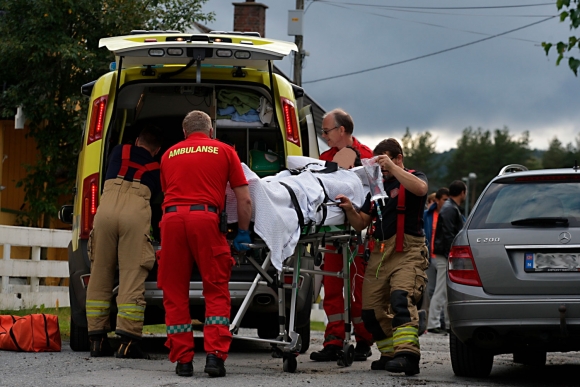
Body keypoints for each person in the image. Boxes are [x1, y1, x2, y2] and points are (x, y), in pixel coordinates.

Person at [158, 110, 252, 378]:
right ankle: (214, 357)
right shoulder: (224, 151)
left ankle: (183, 361)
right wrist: (242, 232)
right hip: (206, 220)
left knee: (174, 292)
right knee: (216, 289)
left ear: (184, 132)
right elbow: (244, 198)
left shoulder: (169, 154)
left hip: (172, 221)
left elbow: (168, 193)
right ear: (211, 131)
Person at [335, 138, 429, 376]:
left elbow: (421, 189)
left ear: (399, 158)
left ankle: (407, 355)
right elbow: (361, 223)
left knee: (401, 299)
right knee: (370, 311)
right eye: (379, 164)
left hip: (407, 252)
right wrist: (349, 209)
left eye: (385, 162)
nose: (382, 169)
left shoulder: (414, 177)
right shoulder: (378, 189)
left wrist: (393, 167)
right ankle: (388, 353)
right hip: (379, 253)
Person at [86, 125, 162, 359]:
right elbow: (158, 202)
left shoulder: (119, 151)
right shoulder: (158, 167)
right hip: (134, 213)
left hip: (106, 210)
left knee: (100, 271)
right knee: (131, 273)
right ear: (157, 150)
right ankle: (128, 342)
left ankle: (97, 340)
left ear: (138, 140)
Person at [310, 108, 375, 362]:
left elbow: (373, 195)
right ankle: (334, 340)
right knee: (333, 287)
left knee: (359, 288)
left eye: (326, 131)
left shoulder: (368, 157)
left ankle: (363, 339)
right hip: (332, 233)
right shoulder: (324, 158)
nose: (324, 135)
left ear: (341, 130)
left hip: (358, 232)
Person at [428, 180, 466, 335]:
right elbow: (449, 233)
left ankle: (443, 322)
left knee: (443, 289)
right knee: (441, 289)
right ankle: (434, 322)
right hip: (445, 253)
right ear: (463, 192)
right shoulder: (451, 209)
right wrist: (453, 253)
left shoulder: (449, 207)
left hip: (442, 252)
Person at [422, 187, 450, 330]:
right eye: (444, 199)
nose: (447, 202)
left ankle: (439, 322)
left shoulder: (450, 214)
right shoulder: (427, 215)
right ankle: (431, 322)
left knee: (442, 290)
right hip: (428, 256)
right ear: (438, 201)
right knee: (430, 290)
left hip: (441, 256)